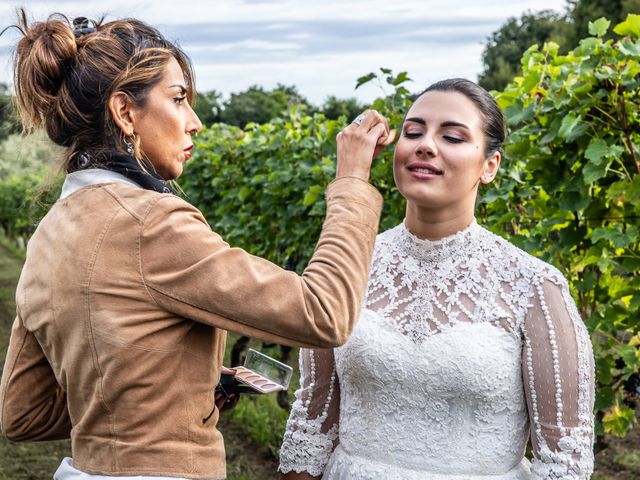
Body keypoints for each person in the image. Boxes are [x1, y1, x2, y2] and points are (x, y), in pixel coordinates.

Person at [0, 11, 395, 480]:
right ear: (125, 112)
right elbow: (322, 312)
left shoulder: (50, 231)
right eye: (179, 99)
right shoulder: (152, 222)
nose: (195, 122)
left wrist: (175, 394)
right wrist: (350, 182)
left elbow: (20, 414)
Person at [278, 78, 595, 480]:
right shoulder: (347, 266)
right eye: (413, 132)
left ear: (490, 166)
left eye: (452, 137)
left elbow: (564, 462)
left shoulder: (535, 286)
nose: (425, 145)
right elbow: (311, 424)